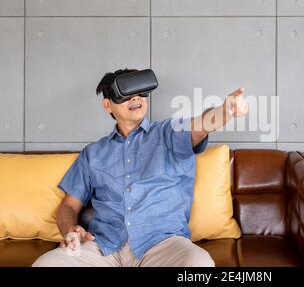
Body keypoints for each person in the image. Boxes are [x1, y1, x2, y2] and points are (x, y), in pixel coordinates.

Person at [32, 68, 249, 267]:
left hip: (162, 245)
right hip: (104, 247)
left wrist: (226, 111)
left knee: (199, 264)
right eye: (125, 93)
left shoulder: (169, 132)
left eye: (140, 91)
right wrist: (70, 229)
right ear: (108, 104)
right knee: (46, 265)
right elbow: (68, 206)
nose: (135, 97)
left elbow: (201, 125)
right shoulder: (93, 153)